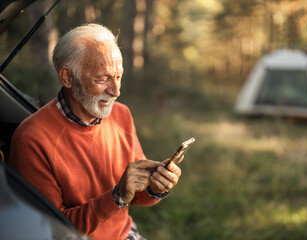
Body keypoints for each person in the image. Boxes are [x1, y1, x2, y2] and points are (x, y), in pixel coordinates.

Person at [9, 23, 182, 240]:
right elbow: (50, 230)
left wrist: (155, 186)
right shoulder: (31, 138)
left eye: (118, 76)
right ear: (68, 78)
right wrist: (116, 196)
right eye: (102, 79)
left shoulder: (121, 115)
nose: (116, 91)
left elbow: (134, 195)